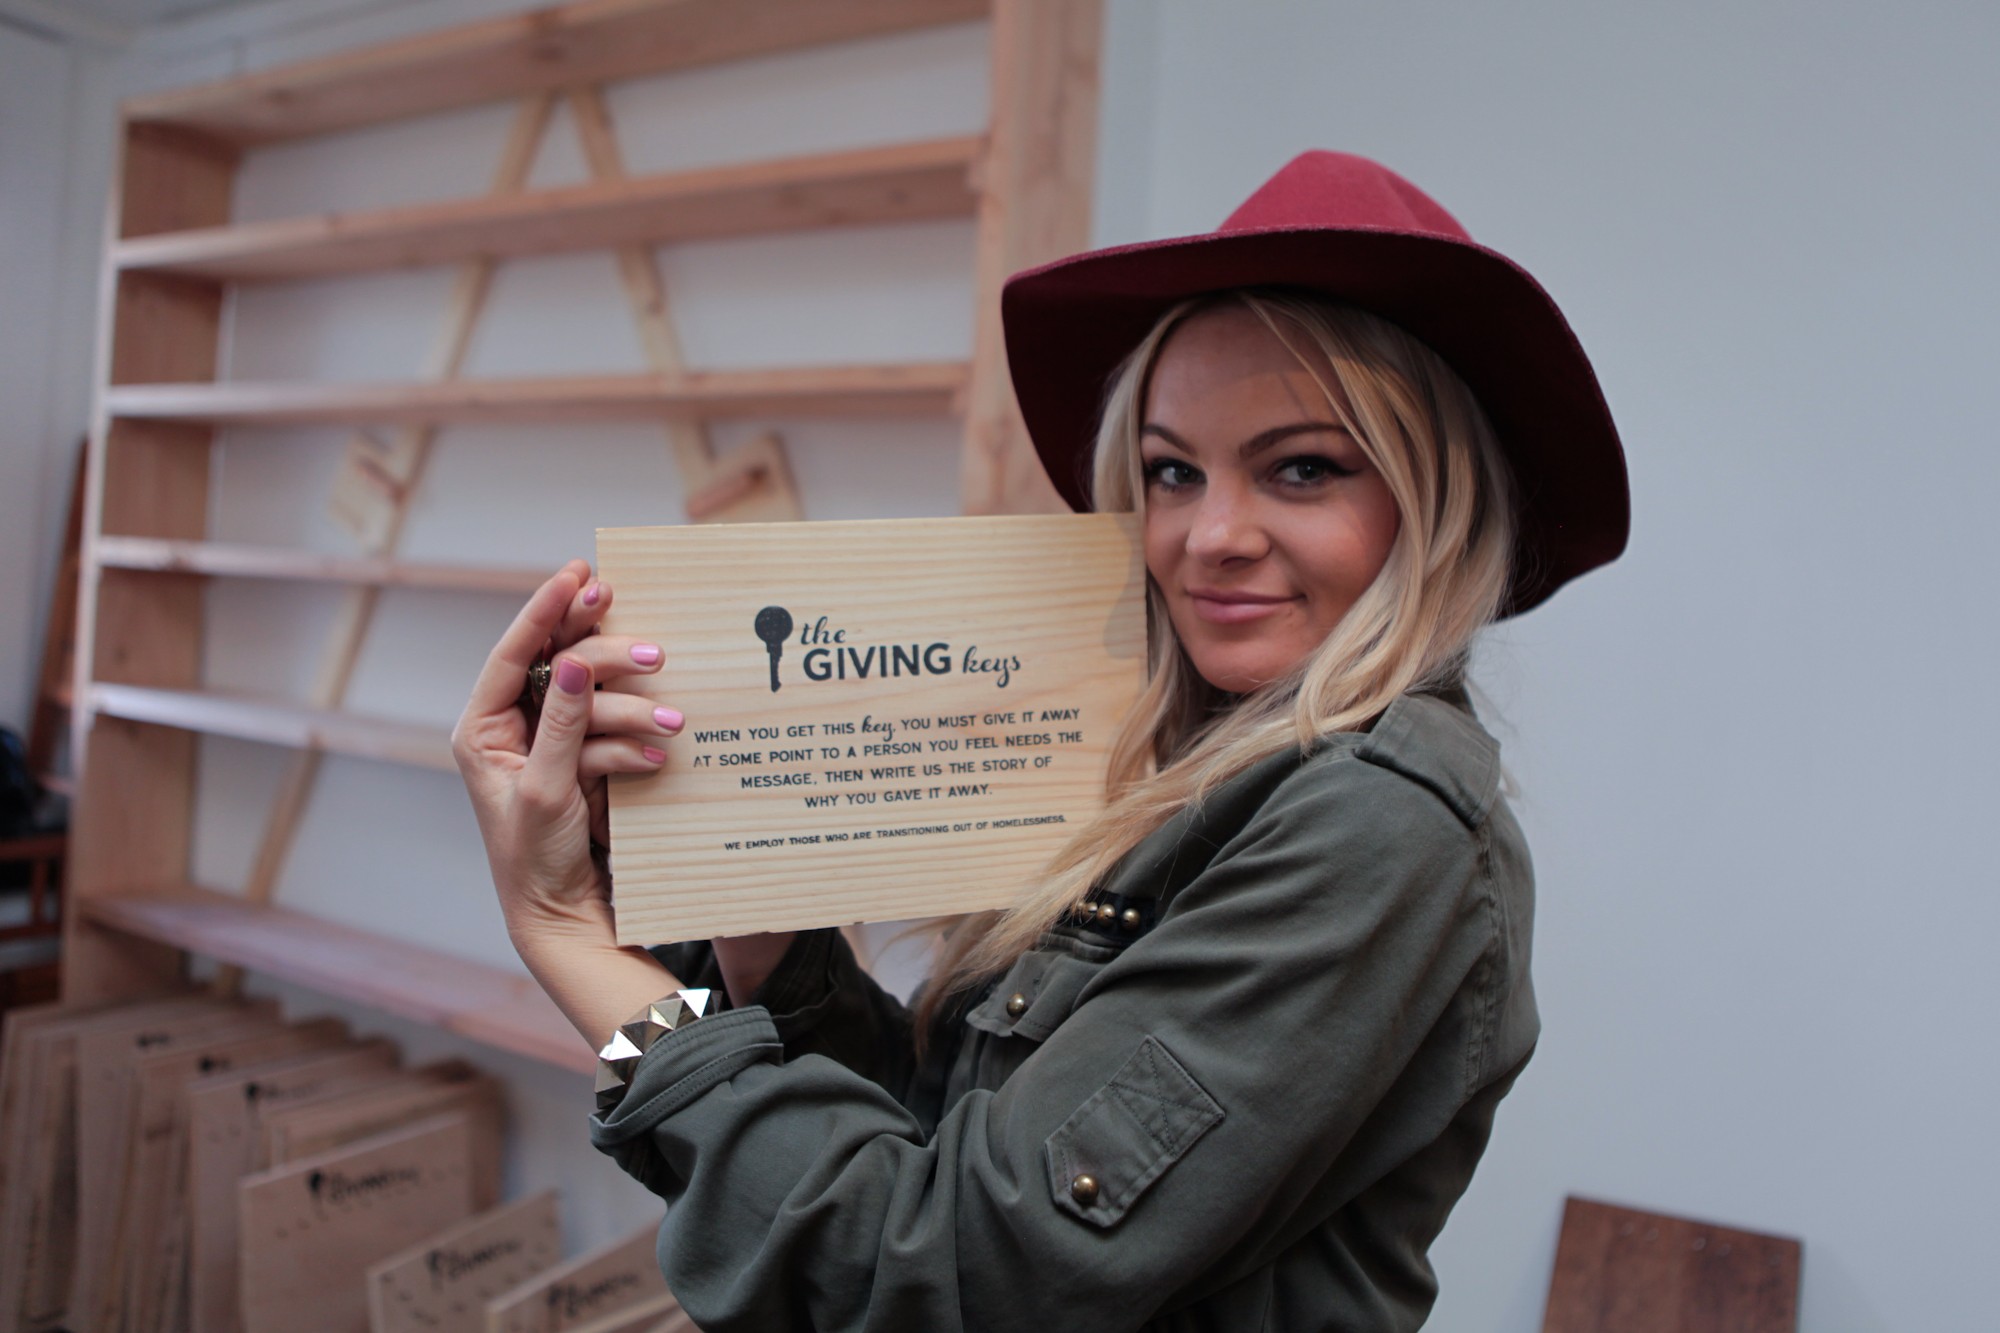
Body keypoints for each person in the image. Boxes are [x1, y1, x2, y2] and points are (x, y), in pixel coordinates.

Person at [454, 150, 1628, 1331]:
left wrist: (569, 939)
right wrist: (761, 943)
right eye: (1172, 471)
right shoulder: (1169, 770)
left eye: (1301, 468)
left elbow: (941, 1279)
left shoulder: (1376, 822)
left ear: (1431, 500)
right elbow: (935, 1151)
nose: (1208, 535)